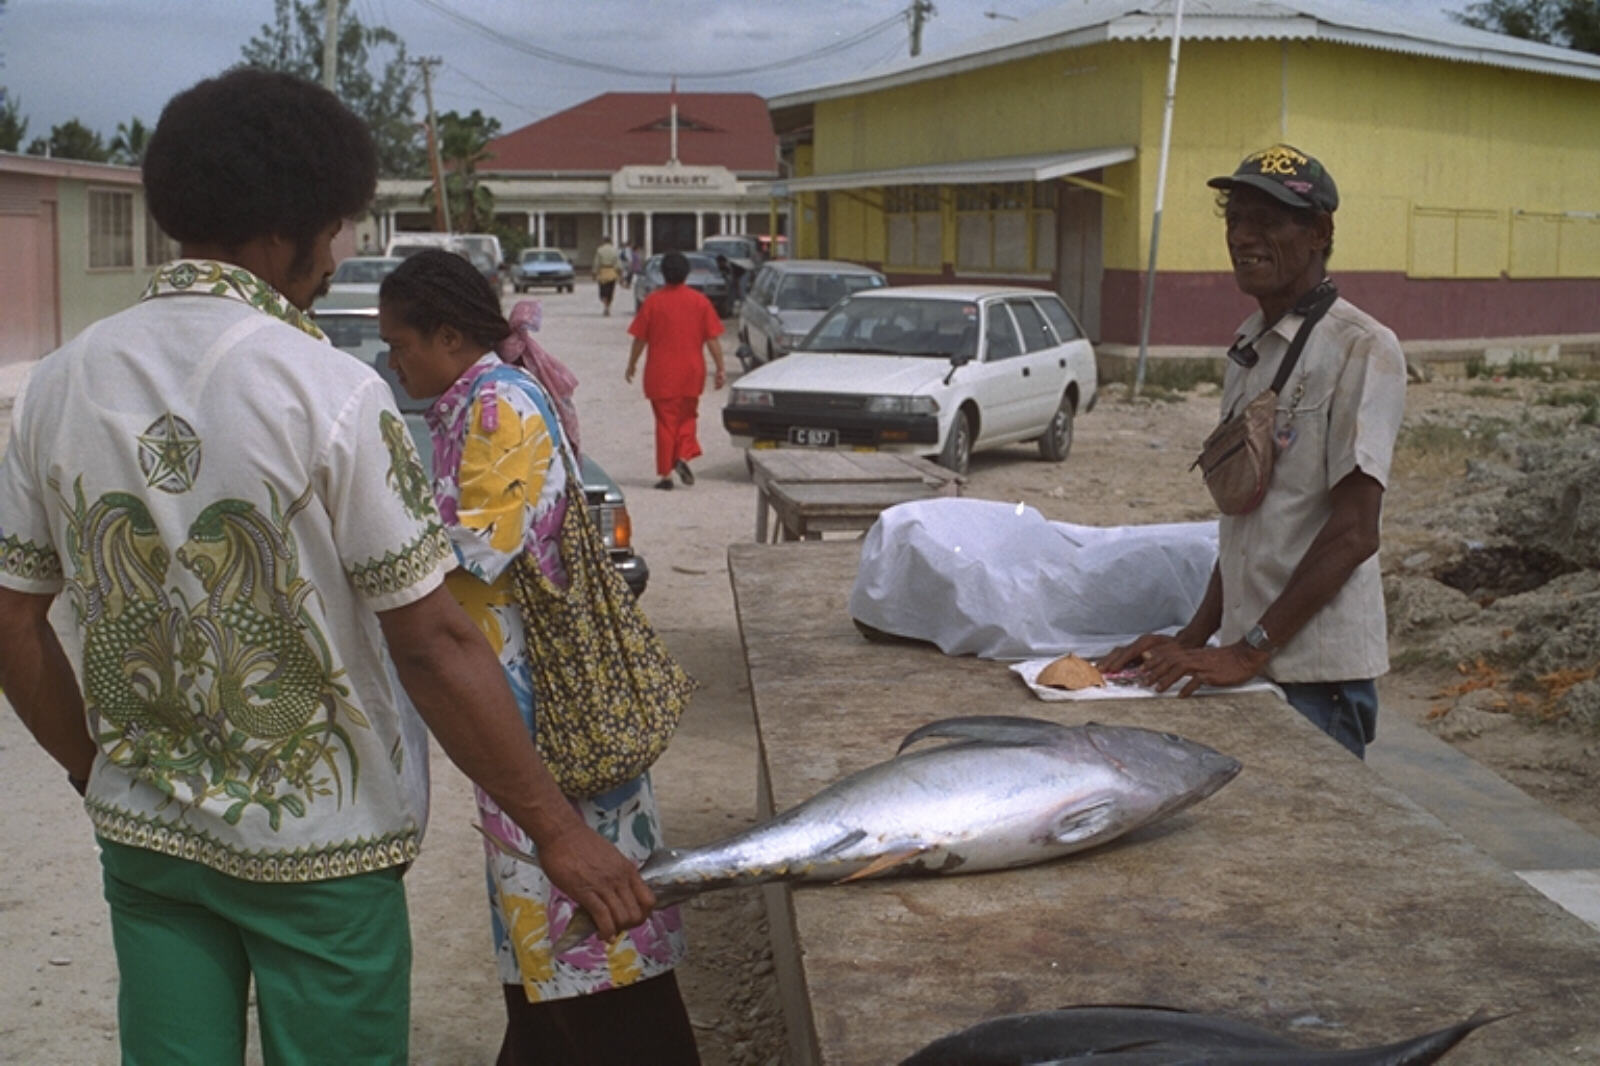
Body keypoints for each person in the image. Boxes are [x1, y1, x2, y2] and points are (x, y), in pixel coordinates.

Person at [0, 68, 651, 1065]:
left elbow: (11, 619)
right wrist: (556, 829)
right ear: (283, 230)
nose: (339, 251)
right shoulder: (333, 392)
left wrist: (95, 771)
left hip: (148, 844)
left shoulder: (60, 381)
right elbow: (430, 641)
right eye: (339, 226)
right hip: (321, 850)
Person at [378, 250, 700, 1066]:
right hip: (515, 693)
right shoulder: (479, 398)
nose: (393, 360)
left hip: (536, 700)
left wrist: (361, 563)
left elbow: (476, 548)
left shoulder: (495, 405)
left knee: (583, 912)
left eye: (400, 343)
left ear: (448, 334)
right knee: (554, 918)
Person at [1099, 145, 1406, 759]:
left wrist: (1247, 649)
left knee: (1317, 840)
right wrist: (1189, 637)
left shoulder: (1362, 348)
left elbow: (1354, 533)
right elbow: (1248, 524)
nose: (1243, 236)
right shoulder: (1249, 346)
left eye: (1267, 220)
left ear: (1320, 232)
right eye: (1235, 219)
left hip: (1317, 677)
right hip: (1254, 658)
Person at [626, 251, 727, 490]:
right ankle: (682, 454)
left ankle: (666, 474)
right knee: (688, 416)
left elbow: (640, 338)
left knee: (665, 422)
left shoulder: (653, 301)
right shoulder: (699, 301)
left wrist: (632, 363)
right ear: (686, 273)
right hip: (692, 371)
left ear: (663, 274)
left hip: (660, 373)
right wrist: (720, 368)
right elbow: (712, 339)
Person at [593, 234, 621, 316]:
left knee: (603, 291)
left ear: (603, 241)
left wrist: (594, 273)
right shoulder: (614, 250)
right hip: (612, 272)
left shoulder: (600, 250)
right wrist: (620, 273)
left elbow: (596, 263)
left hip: (603, 272)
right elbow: (618, 263)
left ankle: (605, 306)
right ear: (610, 241)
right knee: (610, 291)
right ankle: (608, 306)